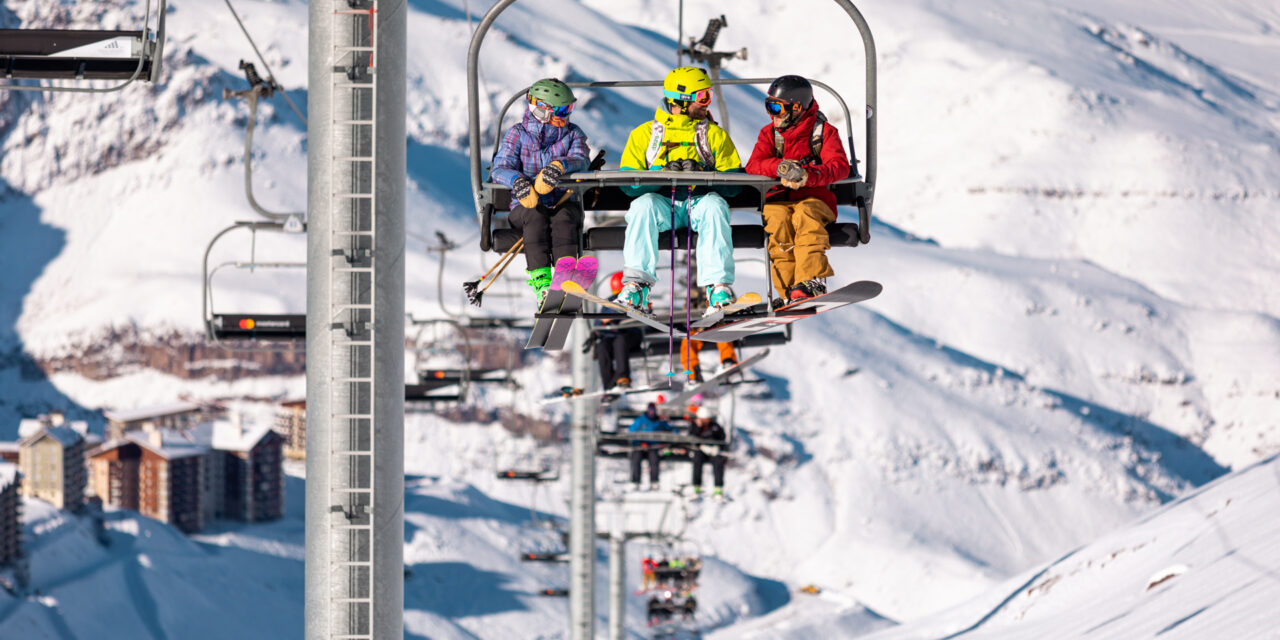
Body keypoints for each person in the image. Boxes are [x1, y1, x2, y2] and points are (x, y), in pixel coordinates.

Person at [614, 66, 743, 316]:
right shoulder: (644, 135)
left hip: (698, 204)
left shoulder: (714, 136)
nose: (707, 103)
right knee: (643, 205)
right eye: (702, 96)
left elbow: (735, 186)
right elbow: (628, 186)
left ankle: (718, 288)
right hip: (664, 205)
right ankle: (636, 286)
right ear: (681, 100)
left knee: (715, 205)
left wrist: (705, 176)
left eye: (709, 96)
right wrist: (660, 175)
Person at [744, 75, 852, 304]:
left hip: (816, 199)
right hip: (779, 199)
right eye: (768, 106)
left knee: (806, 217)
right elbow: (754, 165)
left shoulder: (823, 133)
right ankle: (787, 291)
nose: (772, 114)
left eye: (776, 107)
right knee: (777, 223)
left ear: (797, 107)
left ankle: (810, 280)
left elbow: (839, 166)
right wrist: (779, 167)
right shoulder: (769, 134)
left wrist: (809, 176)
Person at [490, 78, 591, 307]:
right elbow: (500, 168)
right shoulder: (518, 134)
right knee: (535, 216)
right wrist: (518, 182)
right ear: (542, 111)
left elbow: (581, 159)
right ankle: (542, 283)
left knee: (564, 217)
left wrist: (560, 166)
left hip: (562, 201)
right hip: (525, 206)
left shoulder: (573, 134)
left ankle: (566, 277)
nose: (566, 116)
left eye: (569, 110)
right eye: (562, 111)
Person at [592, 271, 644, 389]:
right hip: (611, 337)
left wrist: (614, 315)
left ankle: (622, 378)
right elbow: (598, 321)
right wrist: (602, 322)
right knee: (602, 347)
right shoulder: (608, 302)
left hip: (630, 335)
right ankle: (609, 385)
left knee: (620, 341)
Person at [628, 403, 674, 490]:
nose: (652, 413)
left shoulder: (660, 422)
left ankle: (654, 482)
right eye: (650, 411)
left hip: (654, 446)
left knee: (654, 459)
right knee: (636, 458)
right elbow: (632, 431)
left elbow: (671, 429)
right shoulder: (640, 420)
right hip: (641, 445)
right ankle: (636, 481)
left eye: (653, 411)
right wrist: (640, 442)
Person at [689, 406, 728, 500]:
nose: (706, 421)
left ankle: (718, 489)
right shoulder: (694, 426)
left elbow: (722, 437)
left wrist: (717, 447)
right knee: (697, 461)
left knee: (719, 462)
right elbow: (692, 438)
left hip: (713, 451)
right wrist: (701, 445)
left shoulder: (715, 426)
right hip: (700, 451)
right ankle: (697, 488)